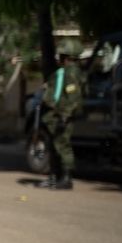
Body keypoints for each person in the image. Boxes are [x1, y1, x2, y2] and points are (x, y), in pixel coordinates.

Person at [38, 52, 85, 190]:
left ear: (66, 58)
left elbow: (73, 98)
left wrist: (65, 116)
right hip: (55, 114)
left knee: (63, 145)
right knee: (54, 146)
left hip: (63, 115)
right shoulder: (63, 72)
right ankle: (54, 177)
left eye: (61, 57)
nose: (59, 60)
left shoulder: (71, 73)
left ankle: (66, 179)